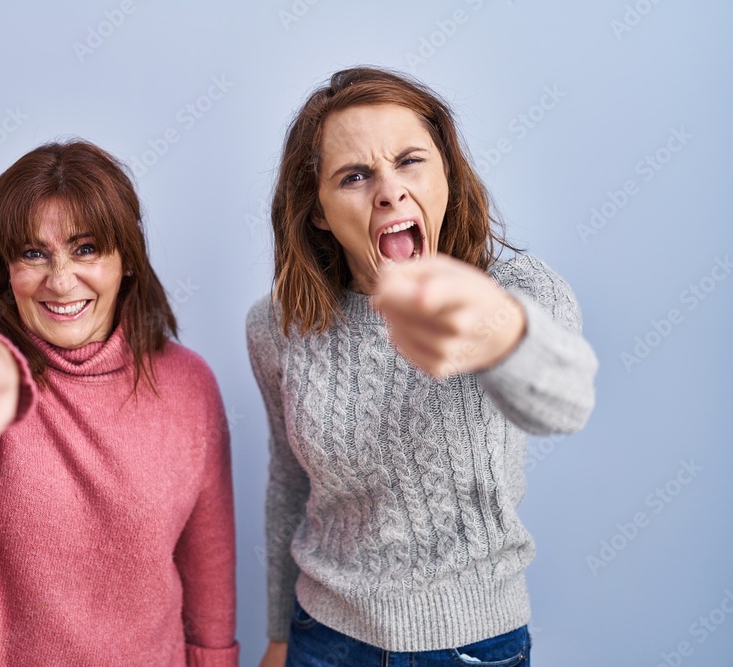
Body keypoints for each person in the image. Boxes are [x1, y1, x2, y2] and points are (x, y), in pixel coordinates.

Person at [248, 66, 598, 667]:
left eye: (410, 161)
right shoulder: (278, 324)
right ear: (320, 213)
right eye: (354, 176)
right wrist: (279, 633)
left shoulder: (517, 292)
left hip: (473, 644)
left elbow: (566, 402)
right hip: (322, 638)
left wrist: (499, 329)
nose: (389, 192)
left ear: (446, 176)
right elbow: (288, 484)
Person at [0, 140, 239, 667]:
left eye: (86, 248)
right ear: (8, 269)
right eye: (33, 253)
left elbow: (207, 564)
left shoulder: (188, 383)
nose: (59, 279)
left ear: (127, 259)